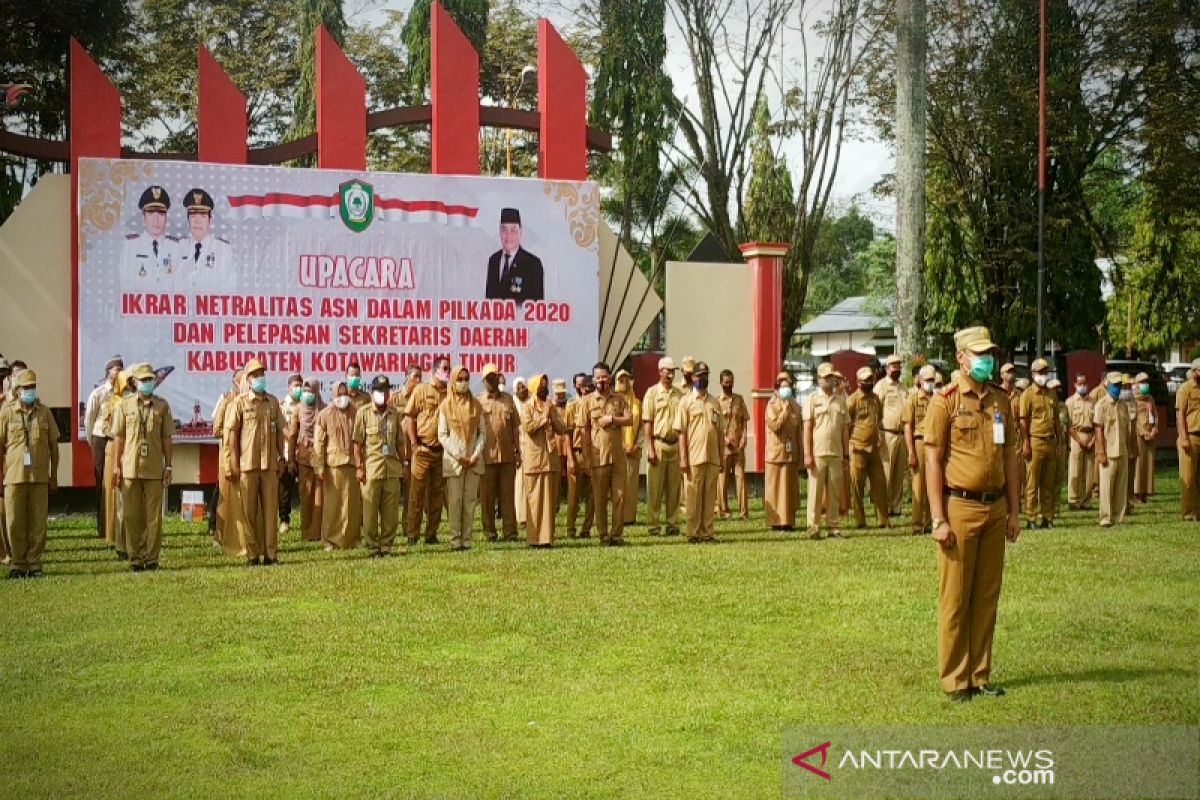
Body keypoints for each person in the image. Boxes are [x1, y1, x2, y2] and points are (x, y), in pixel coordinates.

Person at [924, 326, 1021, 702]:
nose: (987, 360)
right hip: (959, 507)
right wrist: (938, 518)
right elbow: (932, 460)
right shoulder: (944, 401)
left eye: (989, 353)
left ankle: (979, 675)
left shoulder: (1001, 400)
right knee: (956, 597)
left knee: (985, 596)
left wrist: (1014, 511)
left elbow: (1010, 455)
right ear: (961, 359)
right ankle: (954, 679)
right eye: (979, 355)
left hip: (995, 507)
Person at [112, 363, 174, 572]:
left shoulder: (162, 406)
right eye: (144, 380)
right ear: (134, 382)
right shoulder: (124, 405)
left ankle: (152, 558)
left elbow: (167, 438)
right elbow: (119, 438)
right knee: (131, 515)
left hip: (154, 468)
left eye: (150, 379)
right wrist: (116, 467)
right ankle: (135, 558)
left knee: (153, 516)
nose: (148, 383)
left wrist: (169, 466)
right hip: (130, 468)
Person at [0, 370, 60, 578]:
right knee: (14, 521)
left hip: (39, 476)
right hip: (13, 477)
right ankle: (17, 563)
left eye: (32, 387)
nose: (30, 391)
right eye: (26, 388)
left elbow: (54, 445)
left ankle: (34, 563)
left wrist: (54, 475)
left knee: (38, 521)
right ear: (17, 391)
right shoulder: (6, 413)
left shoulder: (44, 412)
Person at [225, 359, 285, 566]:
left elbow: (280, 432)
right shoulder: (240, 403)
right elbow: (233, 435)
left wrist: (281, 456)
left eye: (262, 374)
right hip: (247, 465)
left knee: (270, 512)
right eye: (256, 375)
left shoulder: (273, 402)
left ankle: (271, 554)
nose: (260, 378)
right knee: (249, 512)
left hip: (269, 465)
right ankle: (252, 554)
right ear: (248, 379)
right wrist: (233, 461)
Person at [354, 376, 408, 558]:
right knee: (369, 514)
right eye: (379, 391)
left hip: (392, 469)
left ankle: (386, 546)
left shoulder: (394, 414)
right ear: (372, 392)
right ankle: (372, 546)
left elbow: (400, 442)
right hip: (371, 469)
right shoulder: (363, 413)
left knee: (391, 513)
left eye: (385, 391)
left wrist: (405, 463)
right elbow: (357, 444)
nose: (382, 394)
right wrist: (359, 467)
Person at [580, 361, 633, 546]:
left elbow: (630, 419)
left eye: (604, 377)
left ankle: (617, 535)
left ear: (609, 378)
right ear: (593, 380)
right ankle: (603, 534)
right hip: (598, 457)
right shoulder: (587, 402)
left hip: (618, 456)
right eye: (597, 377)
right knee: (599, 498)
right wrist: (586, 458)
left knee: (619, 496)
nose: (601, 380)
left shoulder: (619, 399)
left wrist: (612, 419)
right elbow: (584, 431)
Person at [520, 374, 571, 547]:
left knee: (549, 502)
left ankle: (547, 538)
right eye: (541, 385)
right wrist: (544, 417)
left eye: (545, 385)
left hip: (550, 459)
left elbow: (562, 428)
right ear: (534, 388)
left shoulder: (550, 405)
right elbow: (529, 428)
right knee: (534, 501)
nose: (544, 388)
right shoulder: (527, 407)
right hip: (534, 460)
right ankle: (534, 539)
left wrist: (553, 414)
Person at [439, 365, 486, 551]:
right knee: (455, 501)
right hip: (454, 462)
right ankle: (455, 539)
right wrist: (459, 456)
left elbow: (483, 433)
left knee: (469, 502)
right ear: (452, 381)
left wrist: (475, 454)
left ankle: (467, 540)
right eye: (460, 379)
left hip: (473, 461)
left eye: (466, 378)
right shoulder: (445, 406)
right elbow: (442, 435)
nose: (463, 382)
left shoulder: (476, 405)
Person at [676, 361, 723, 543]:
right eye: (699, 376)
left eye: (705, 376)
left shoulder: (714, 402)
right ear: (692, 377)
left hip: (712, 457)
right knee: (693, 497)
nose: (702, 379)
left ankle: (707, 532)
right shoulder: (686, 402)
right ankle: (693, 533)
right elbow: (682, 432)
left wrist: (721, 456)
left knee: (710, 496)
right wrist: (683, 458)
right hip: (694, 457)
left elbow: (719, 431)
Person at [406, 356, 450, 544]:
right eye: (445, 369)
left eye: (449, 369)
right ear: (435, 370)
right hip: (423, 450)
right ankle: (412, 535)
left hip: (442, 452)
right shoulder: (421, 390)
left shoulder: (450, 393)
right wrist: (415, 445)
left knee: (437, 496)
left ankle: (431, 534)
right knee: (417, 495)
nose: (448, 372)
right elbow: (409, 417)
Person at [315, 380, 362, 550]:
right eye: (339, 394)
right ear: (333, 395)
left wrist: (361, 464)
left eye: (345, 393)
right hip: (332, 466)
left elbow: (361, 441)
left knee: (352, 505)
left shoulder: (356, 413)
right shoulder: (324, 415)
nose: (342, 397)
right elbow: (319, 444)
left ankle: (352, 538)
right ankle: (330, 540)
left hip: (352, 464)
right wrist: (319, 468)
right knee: (333, 506)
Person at [805, 363, 848, 539]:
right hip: (818, 452)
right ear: (818, 379)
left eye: (830, 377)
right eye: (824, 377)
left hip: (836, 452)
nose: (828, 380)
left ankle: (833, 526)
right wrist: (807, 454)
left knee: (835, 492)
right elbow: (807, 428)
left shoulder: (840, 400)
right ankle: (813, 526)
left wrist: (846, 454)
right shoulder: (813, 399)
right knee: (815, 492)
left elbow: (845, 429)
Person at [477, 364, 520, 542]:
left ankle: (510, 532)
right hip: (486, 456)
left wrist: (518, 450)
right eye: (488, 378)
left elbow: (516, 428)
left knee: (508, 496)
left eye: (494, 376)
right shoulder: (477, 401)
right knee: (487, 498)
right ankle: (490, 533)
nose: (492, 380)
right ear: (483, 381)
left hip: (507, 455)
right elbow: (474, 431)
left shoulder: (509, 400)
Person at [83, 355, 123, 541]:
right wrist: (93, 441)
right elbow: (89, 420)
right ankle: (102, 525)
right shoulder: (99, 393)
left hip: (118, 439)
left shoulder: (125, 393)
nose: (119, 371)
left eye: (121, 368)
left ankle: (117, 525)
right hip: (100, 438)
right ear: (108, 372)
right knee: (101, 481)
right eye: (116, 368)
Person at [642, 357, 683, 537]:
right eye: (666, 370)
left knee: (674, 489)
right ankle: (654, 525)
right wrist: (650, 448)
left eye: (672, 371)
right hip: (658, 444)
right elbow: (647, 423)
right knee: (655, 489)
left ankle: (673, 523)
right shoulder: (651, 393)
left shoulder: (679, 394)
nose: (669, 374)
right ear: (659, 372)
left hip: (675, 445)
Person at [1018, 358, 1061, 529]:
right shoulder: (1027, 394)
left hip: (1050, 441)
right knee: (1032, 483)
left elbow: (1056, 419)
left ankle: (1047, 516)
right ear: (1033, 373)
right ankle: (1031, 517)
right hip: (1035, 440)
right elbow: (1023, 421)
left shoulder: (1051, 394)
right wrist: (1026, 443)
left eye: (1045, 372)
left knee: (1048, 483)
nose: (1044, 375)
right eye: (1040, 372)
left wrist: (1060, 442)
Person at [847, 366, 889, 530]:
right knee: (857, 486)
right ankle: (860, 520)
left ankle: (883, 520)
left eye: (870, 380)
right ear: (858, 382)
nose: (868, 383)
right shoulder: (852, 400)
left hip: (874, 448)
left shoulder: (875, 398)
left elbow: (879, 418)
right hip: (858, 448)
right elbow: (846, 424)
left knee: (880, 484)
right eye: (865, 380)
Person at [211, 369, 246, 556]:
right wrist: (233, 431)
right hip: (226, 456)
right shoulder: (226, 399)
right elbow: (216, 429)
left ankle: (240, 538)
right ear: (236, 382)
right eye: (243, 379)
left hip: (246, 456)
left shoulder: (250, 401)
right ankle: (220, 535)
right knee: (225, 497)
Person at [101, 370, 134, 560]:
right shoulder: (112, 403)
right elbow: (104, 428)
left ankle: (136, 543)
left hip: (135, 452)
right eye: (127, 385)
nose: (130, 388)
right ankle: (122, 545)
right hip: (117, 451)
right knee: (121, 501)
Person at [287, 378, 324, 543]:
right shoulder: (298, 410)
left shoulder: (324, 410)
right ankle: (306, 532)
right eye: (306, 391)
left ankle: (318, 532)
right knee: (305, 495)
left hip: (320, 459)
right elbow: (292, 436)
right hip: (303, 458)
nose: (308, 394)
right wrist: (290, 460)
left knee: (320, 496)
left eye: (311, 391)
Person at [765, 371, 802, 531]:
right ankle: (775, 521)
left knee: (789, 490)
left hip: (790, 453)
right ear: (777, 389)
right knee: (775, 490)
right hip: (775, 453)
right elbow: (775, 427)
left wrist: (800, 453)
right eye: (783, 386)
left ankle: (788, 521)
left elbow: (798, 430)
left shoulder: (795, 405)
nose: (786, 389)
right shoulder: (771, 405)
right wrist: (785, 412)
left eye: (788, 385)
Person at [1093, 371, 1131, 528]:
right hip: (1108, 452)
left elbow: (1127, 429)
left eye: (1119, 385)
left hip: (1122, 451)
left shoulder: (1123, 406)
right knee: (1106, 488)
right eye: (1115, 385)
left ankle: (1118, 516)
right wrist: (1101, 451)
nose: (1118, 388)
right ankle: (1106, 517)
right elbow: (1098, 429)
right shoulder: (1101, 405)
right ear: (1107, 384)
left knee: (1121, 488)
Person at [903, 364, 938, 534]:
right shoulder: (913, 399)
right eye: (928, 380)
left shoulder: (938, 398)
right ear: (920, 380)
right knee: (918, 485)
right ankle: (917, 523)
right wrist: (911, 452)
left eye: (933, 380)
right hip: (920, 442)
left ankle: (932, 521)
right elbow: (908, 426)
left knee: (935, 483)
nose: (931, 383)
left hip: (936, 443)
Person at [121, 185, 178, 287]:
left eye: (161, 214)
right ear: (143, 217)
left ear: (166, 218)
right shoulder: (130, 246)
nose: (156, 220)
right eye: (151, 213)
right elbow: (124, 284)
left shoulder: (176, 247)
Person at [875, 354, 910, 517]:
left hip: (902, 434)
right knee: (886, 472)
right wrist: (878, 435)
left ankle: (896, 507)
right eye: (893, 366)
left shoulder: (904, 388)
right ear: (887, 368)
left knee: (898, 474)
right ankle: (883, 507)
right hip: (887, 433)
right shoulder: (881, 386)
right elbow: (875, 412)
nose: (897, 369)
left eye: (898, 366)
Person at [485, 207, 544, 303]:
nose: (508, 235)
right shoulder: (493, 260)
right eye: (504, 230)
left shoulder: (533, 264)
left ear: (520, 233)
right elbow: (488, 301)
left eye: (513, 230)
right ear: (499, 232)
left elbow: (537, 307)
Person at [176, 188, 232, 289]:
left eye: (202, 216)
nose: (198, 221)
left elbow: (228, 287)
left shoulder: (223, 249)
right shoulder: (178, 247)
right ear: (188, 220)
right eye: (193, 216)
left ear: (210, 220)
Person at [716, 369, 749, 520]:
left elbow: (744, 420)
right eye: (726, 383)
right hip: (724, 447)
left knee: (741, 478)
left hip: (738, 446)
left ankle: (743, 512)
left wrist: (744, 437)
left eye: (731, 382)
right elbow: (715, 424)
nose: (728, 385)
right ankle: (724, 511)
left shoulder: (739, 399)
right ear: (721, 383)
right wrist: (724, 439)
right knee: (723, 479)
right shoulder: (716, 402)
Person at [564, 374, 594, 538]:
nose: (586, 388)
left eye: (589, 386)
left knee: (592, 495)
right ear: (577, 387)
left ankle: (586, 528)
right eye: (582, 385)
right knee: (573, 495)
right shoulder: (572, 405)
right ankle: (570, 528)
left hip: (594, 454)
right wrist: (570, 458)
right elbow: (567, 433)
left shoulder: (596, 404)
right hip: (577, 453)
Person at [615, 369, 643, 526]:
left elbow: (642, 427)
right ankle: (618, 516)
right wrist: (621, 445)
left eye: (626, 380)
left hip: (633, 450)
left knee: (631, 485)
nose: (624, 383)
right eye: (621, 380)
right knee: (619, 486)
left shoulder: (637, 403)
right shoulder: (613, 402)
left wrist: (637, 445)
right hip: (618, 450)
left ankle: (630, 517)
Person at [1064, 373, 1096, 510]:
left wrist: (1093, 440)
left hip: (1091, 436)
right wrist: (1079, 441)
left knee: (1089, 472)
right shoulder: (1070, 402)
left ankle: (1086, 500)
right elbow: (1068, 425)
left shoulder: (1093, 402)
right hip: (1076, 437)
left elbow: (1098, 424)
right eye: (1080, 384)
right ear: (1075, 385)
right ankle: (1074, 500)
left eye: (1085, 383)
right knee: (1075, 470)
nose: (1083, 386)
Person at [278, 373, 304, 537]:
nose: (298, 389)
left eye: (300, 385)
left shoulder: (307, 404)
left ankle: (308, 521)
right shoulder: (282, 406)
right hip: (287, 451)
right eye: (295, 385)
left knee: (306, 489)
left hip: (303, 452)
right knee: (284, 489)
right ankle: (284, 520)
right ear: (289, 387)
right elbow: (280, 428)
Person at [1176, 359, 1200, 521]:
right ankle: (1188, 513)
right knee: (1189, 477)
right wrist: (1184, 437)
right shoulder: (1185, 389)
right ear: (1194, 371)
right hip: (1190, 436)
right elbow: (1180, 415)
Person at [1132, 372, 1158, 503]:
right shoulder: (1134, 399)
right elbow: (1134, 419)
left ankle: (1146, 492)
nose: (1145, 384)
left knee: (1148, 463)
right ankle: (1137, 492)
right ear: (1136, 384)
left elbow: (1155, 415)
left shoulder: (1150, 399)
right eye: (1142, 382)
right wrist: (1143, 432)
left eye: (1146, 382)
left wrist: (1154, 430)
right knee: (1139, 464)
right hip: (1139, 435)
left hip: (1150, 434)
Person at [1047, 378, 1069, 518]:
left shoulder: (1063, 406)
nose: (1057, 391)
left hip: (1061, 445)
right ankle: (1046, 509)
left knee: (1059, 477)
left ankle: (1056, 508)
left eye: (1059, 388)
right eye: (1054, 389)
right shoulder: (1046, 405)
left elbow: (1067, 426)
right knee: (1047, 479)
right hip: (1048, 444)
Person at [512, 377, 529, 527]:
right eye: (519, 387)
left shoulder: (532, 402)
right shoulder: (512, 403)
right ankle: (521, 516)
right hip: (518, 447)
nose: (522, 389)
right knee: (520, 483)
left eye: (524, 386)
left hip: (532, 447)